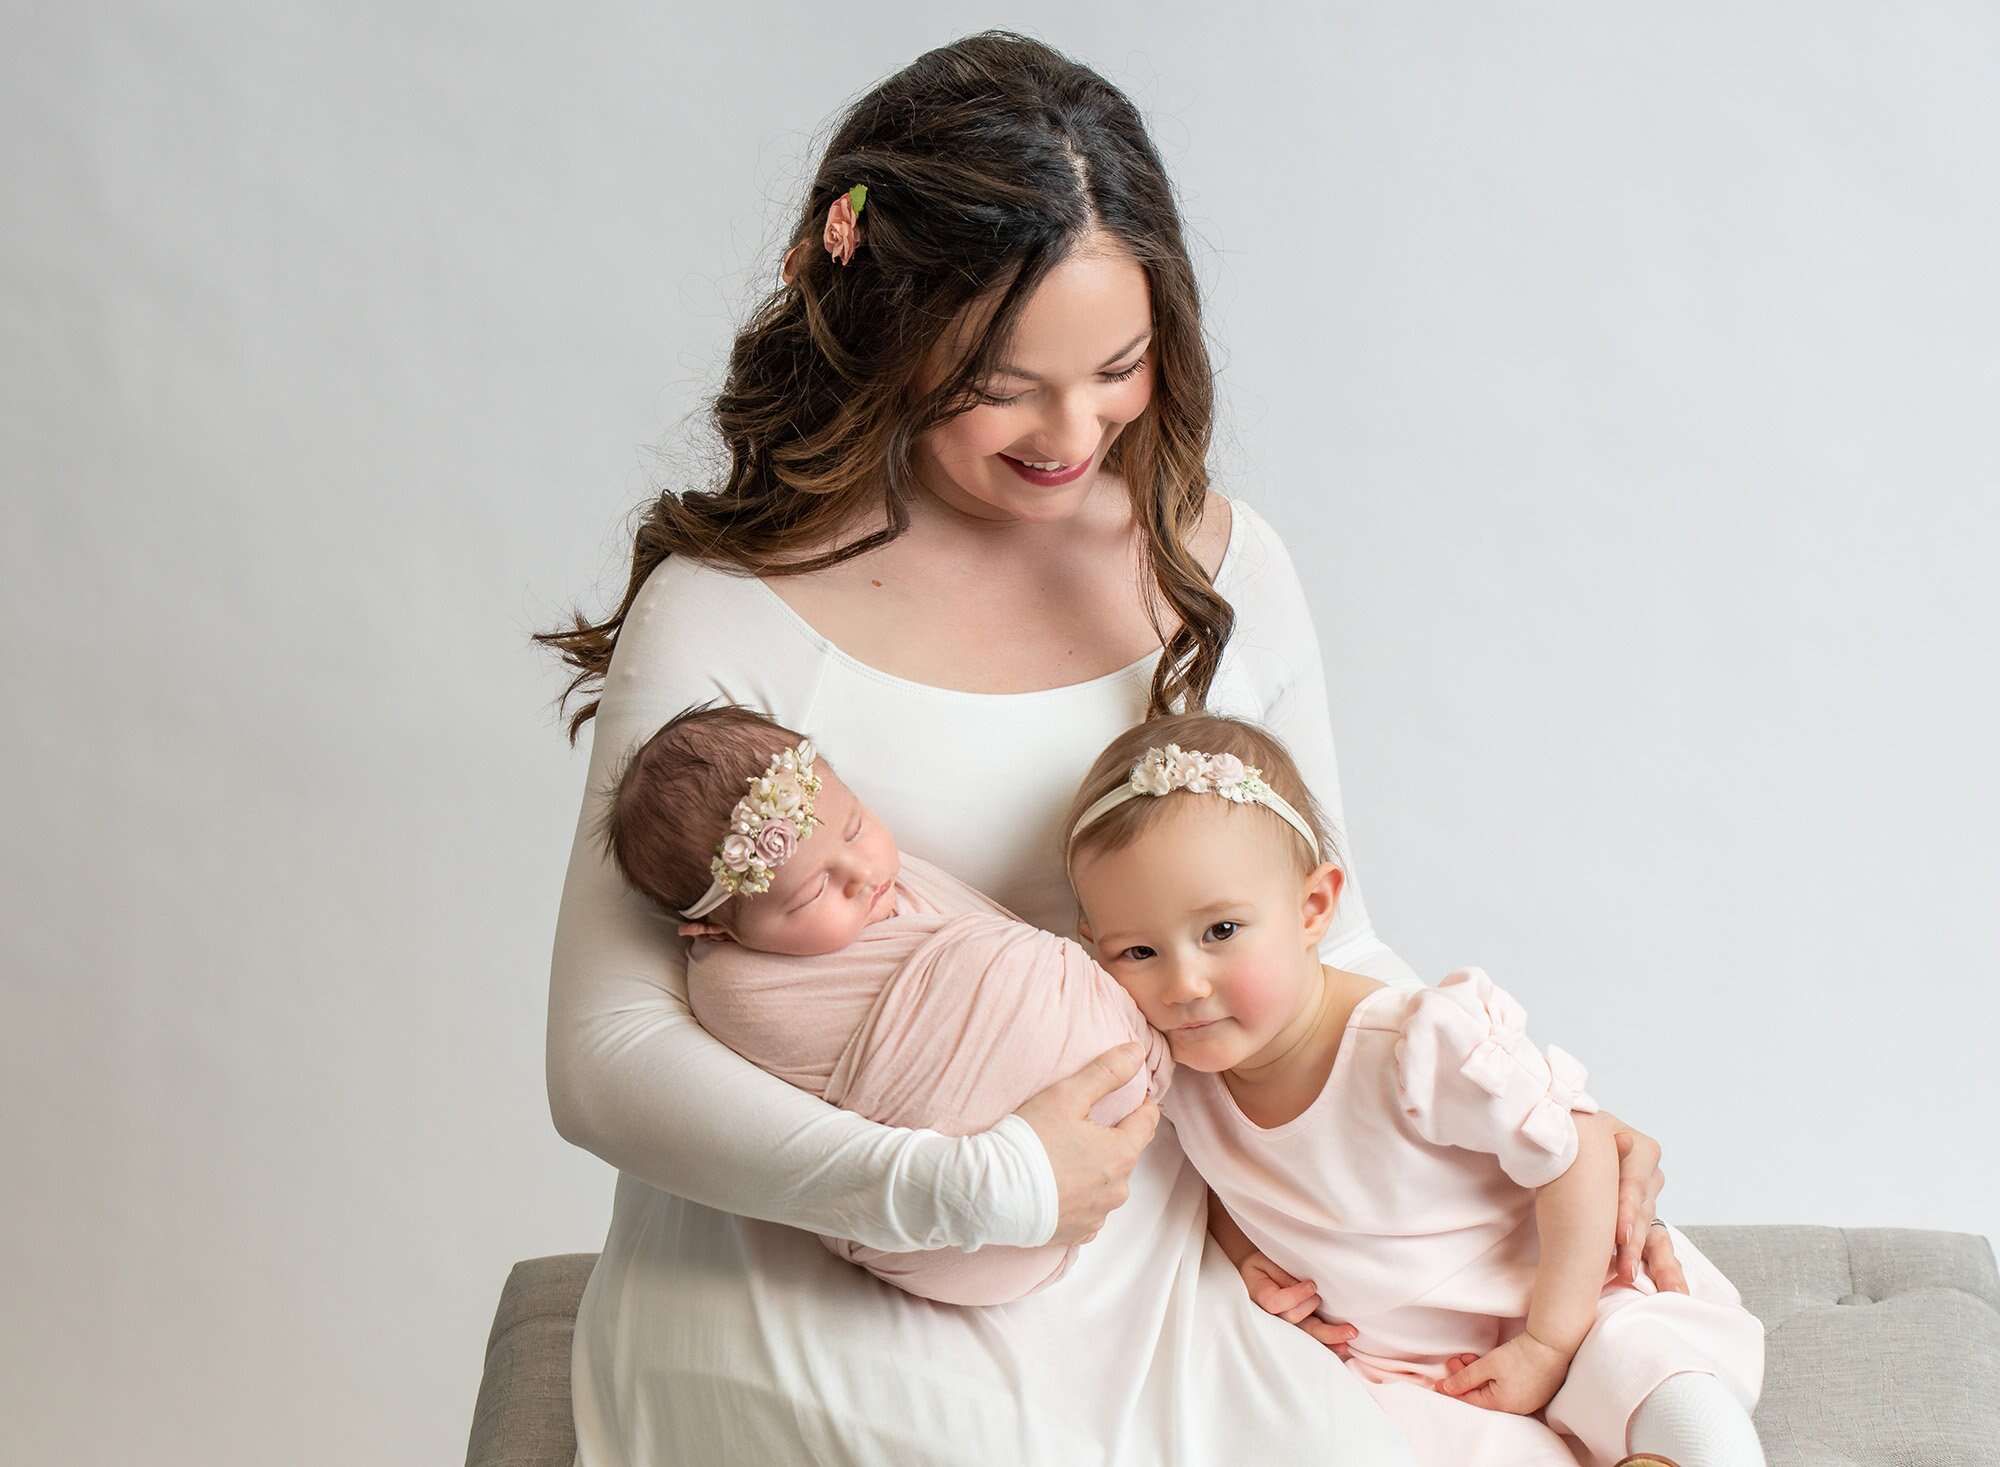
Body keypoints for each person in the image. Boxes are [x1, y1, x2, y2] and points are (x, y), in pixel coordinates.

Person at [539, 30, 1684, 1464]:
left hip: (1137, 1194)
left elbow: (1321, 931)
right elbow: (605, 1052)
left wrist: (1526, 1106)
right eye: (999, 382)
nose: (1070, 430)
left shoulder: (1219, 563)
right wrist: (966, 1186)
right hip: (831, 1228)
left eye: (1117, 367)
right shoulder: (732, 607)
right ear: (884, 330)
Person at [1063, 712, 1766, 1467]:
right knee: (1376, 1438)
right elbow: (1226, 1186)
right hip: (1414, 1368)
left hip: (1563, 1298)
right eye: (1139, 952)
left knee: (1651, 1370)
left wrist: (1548, 1342)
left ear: (1313, 907)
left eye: (1221, 931)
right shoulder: (1177, 1079)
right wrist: (1244, 1255)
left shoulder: (1414, 1045)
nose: (1185, 985)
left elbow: (1581, 1152)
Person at [595, 699, 1170, 1304]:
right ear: (715, 930)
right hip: (970, 1224)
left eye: (855, 827)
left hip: (1101, 1118)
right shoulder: (736, 990)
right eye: (812, 891)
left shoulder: (891, 881)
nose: (862, 874)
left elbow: (990, 934)